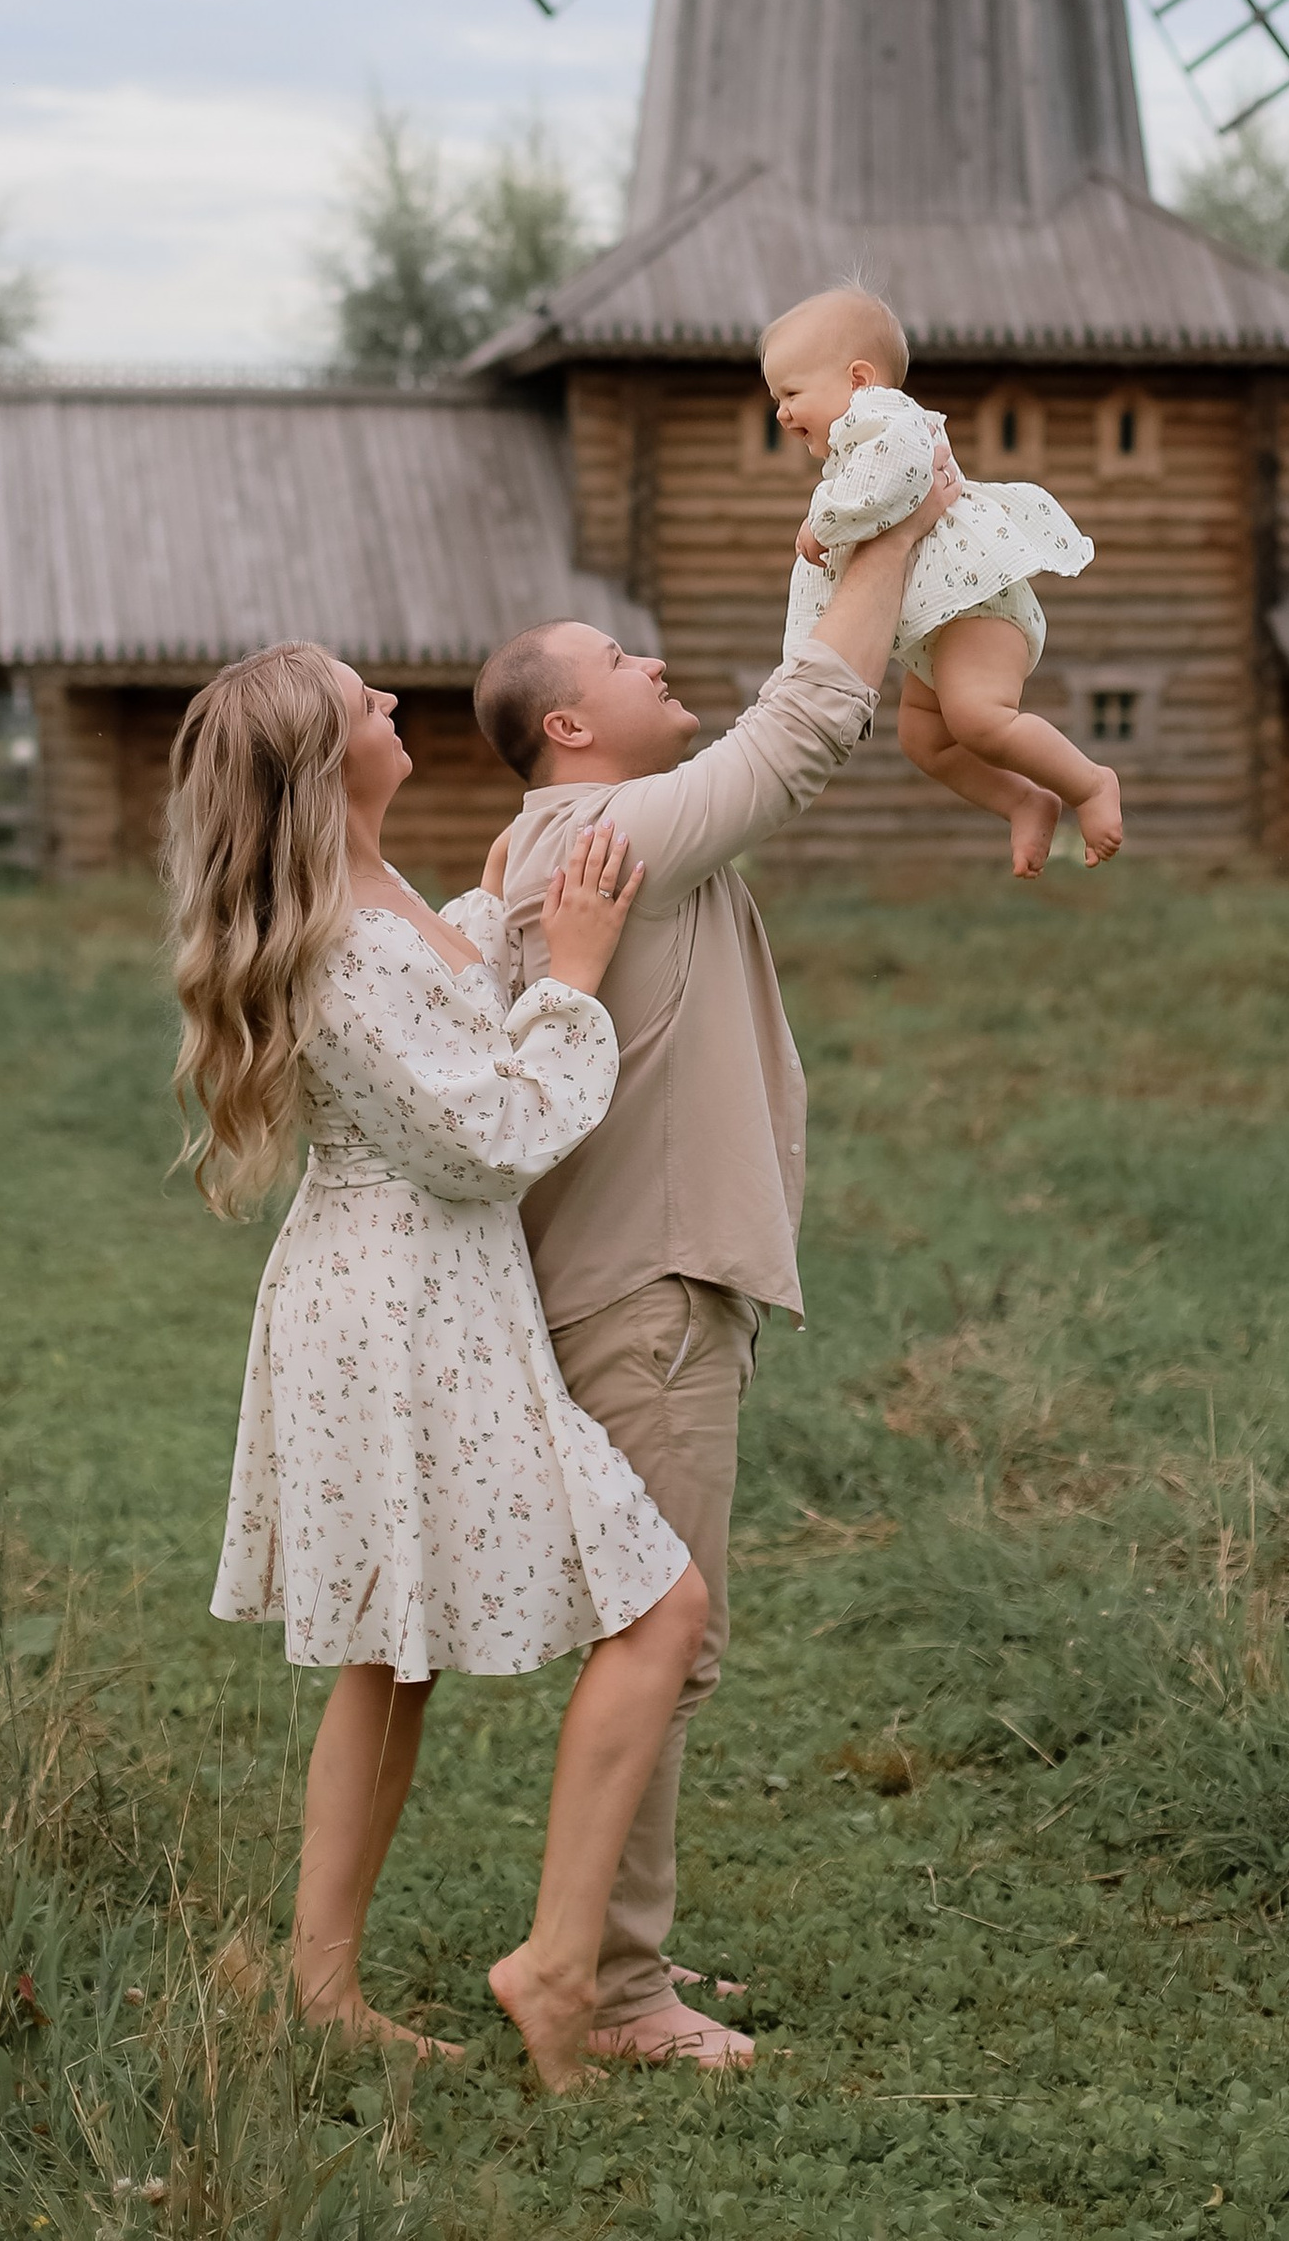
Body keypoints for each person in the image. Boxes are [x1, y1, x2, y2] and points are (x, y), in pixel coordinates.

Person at [470, 442, 964, 2071]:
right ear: (566, 725)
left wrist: (840, 533)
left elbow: (776, 696)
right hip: (643, 1293)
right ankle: (607, 1988)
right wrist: (907, 521)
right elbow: (808, 724)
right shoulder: (599, 841)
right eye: (617, 660)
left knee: (663, 1635)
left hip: (653, 1283)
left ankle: (618, 1958)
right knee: (662, 1638)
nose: (649, 660)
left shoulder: (607, 834)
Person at [172, 642, 706, 2092]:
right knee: (657, 1609)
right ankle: (545, 1970)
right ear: (321, 760)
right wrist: (576, 977)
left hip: (420, 1298)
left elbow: (439, 997)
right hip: (403, 1312)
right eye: (366, 703)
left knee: (384, 1664)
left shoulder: (381, 898)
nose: (394, 706)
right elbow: (484, 1136)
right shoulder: (341, 944)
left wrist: (494, 902)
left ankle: (321, 1981)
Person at [763, 283, 1123, 879]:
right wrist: (805, 669)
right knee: (926, 742)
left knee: (979, 718)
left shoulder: (885, 419)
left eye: (791, 393)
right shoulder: (849, 462)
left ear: (858, 380)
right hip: (937, 628)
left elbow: (900, 475)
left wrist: (822, 522)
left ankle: (1091, 784)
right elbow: (820, 587)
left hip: (976, 605)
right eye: (775, 398)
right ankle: (1024, 800)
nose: (780, 413)